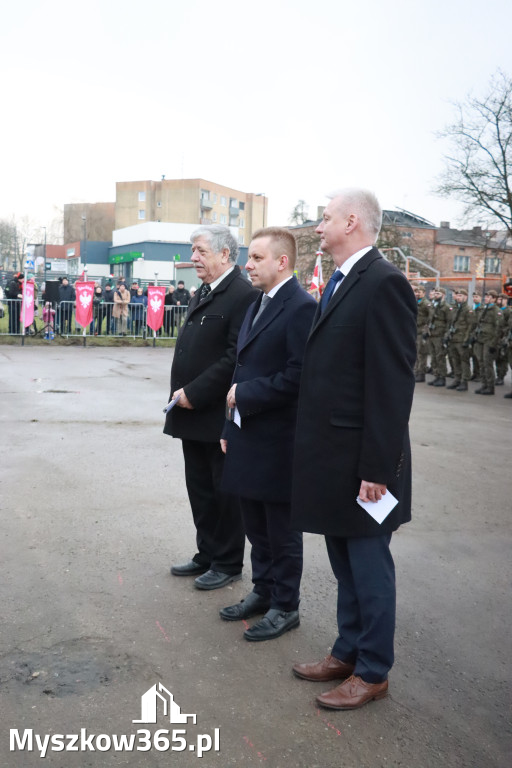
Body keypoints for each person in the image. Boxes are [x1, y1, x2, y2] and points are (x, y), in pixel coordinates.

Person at [290, 189, 416, 711]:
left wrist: (377, 469)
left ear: (351, 221)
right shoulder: (342, 280)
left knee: (368, 566)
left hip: (365, 464)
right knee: (344, 562)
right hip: (333, 456)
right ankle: (346, 651)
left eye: (323, 219)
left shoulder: (384, 282)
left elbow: (391, 385)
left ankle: (372, 670)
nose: (317, 229)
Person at [219, 227, 316, 641]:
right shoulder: (259, 302)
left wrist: (246, 395)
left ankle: (285, 605)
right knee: (254, 523)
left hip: (279, 439)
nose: (248, 264)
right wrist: (229, 423)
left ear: (282, 262)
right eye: (249, 257)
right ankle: (263, 590)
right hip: (247, 432)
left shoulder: (301, 307)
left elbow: (299, 376)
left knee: (280, 528)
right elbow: (242, 367)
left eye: (257, 258)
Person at [163, 225, 259, 590]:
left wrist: (195, 391)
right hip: (190, 410)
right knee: (199, 488)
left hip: (216, 411)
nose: (193, 258)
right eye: (193, 250)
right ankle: (207, 553)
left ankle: (228, 561)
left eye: (201, 251)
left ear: (225, 255)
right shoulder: (204, 290)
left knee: (223, 491)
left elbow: (236, 356)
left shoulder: (242, 295)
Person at [473, 289, 501, 395]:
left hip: (489, 341)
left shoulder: (496, 311)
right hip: (481, 339)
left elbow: (499, 328)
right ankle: (484, 384)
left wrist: (494, 343)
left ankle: (490, 386)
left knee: (487, 363)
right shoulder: (485, 309)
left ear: (494, 299)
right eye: (486, 297)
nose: (486, 298)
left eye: (489, 297)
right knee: (481, 362)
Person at [445, 288, 473, 392]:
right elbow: (450, 323)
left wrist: (466, 340)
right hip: (453, 338)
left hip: (461, 339)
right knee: (454, 360)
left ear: (465, 297)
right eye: (458, 296)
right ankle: (457, 379)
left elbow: (470, 326)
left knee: (464, 361)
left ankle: (464, 381)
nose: (458, 297)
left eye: (461, 296)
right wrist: (447, 336)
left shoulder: (468, 310)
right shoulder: (455, 308)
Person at [425, 286, 450, 386]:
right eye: (435, 293)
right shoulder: (432, 305)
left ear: (443, 295)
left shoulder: (446, 307)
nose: (436, 295)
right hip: (432, 334)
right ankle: (436, 375)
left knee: (440, 357)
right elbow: (429, 320)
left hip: (440, 335)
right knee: (434, 357)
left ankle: (442, 377)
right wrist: (425, 332)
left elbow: (449, 323)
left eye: (438, 294)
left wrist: (446, 336)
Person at [411, 283, 430, 382]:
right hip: (415, 330)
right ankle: (416, 371)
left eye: (419, 292)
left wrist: (426, 331)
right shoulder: (416, 302)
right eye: (416, 292)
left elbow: (430, 318)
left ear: (424, 293)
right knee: (416, 353)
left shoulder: (426, 304)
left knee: (421, 353)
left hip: (421, 331)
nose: (417, 294)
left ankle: (421, 373)